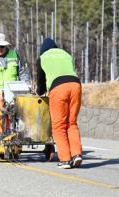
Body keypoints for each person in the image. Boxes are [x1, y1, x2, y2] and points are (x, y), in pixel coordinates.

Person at [36, 38, 82, 169]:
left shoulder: (42, 57)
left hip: (58, 88)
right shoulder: (65, 54)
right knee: (71, 122)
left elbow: (41, 81)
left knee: (58, 126)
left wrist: (40, 92)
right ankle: (76, 154)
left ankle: (65, 159)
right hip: (75, 85)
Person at [0, 33, 30, 135]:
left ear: (6, 46)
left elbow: (22, 72)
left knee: (13, 116)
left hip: (13, 93)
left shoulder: (14, 55)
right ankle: (1, 140)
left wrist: (27, 85)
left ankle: (13, 137)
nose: (0, 49)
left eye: (2, 47)